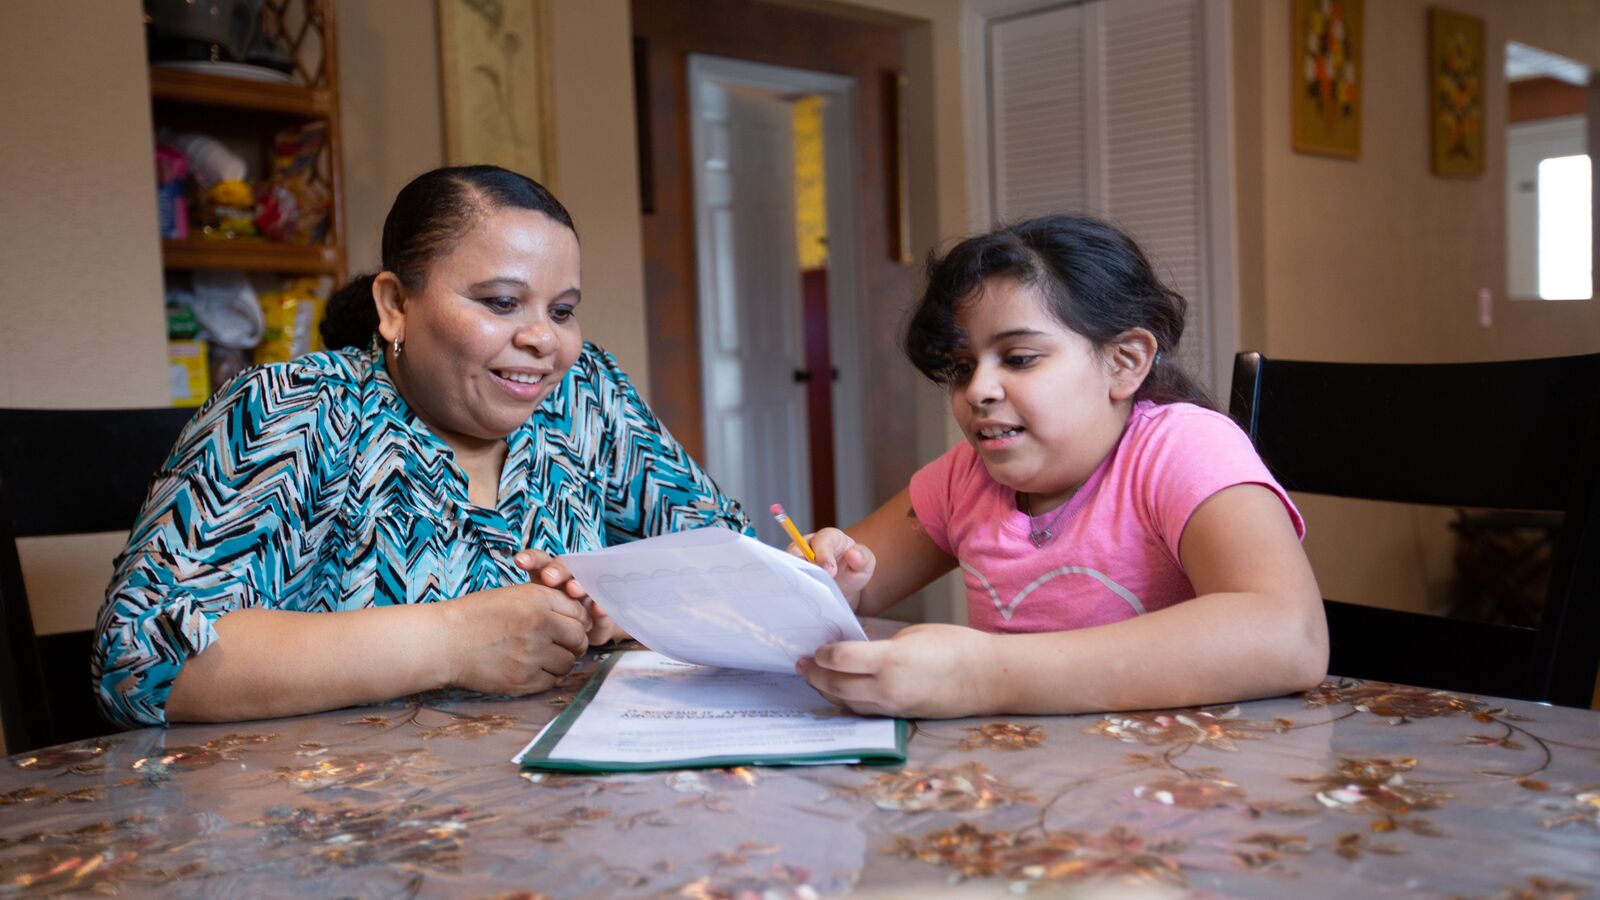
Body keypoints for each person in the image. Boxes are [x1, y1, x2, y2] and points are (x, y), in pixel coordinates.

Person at [94, 165, 750, 728]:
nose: (544, 341)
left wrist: (627, 602)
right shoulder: (297, 409)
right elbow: (141, 662)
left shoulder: (585, 396)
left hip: (560, 810)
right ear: (394, 307)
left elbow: (727, 562)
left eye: (562, 310)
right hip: (340, 831)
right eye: (501, 302)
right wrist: (454, 640)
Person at [790, 214, 1327, 719]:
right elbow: (840, 589)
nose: (977, 389)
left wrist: (985, 676)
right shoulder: (964, 478)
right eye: (961, 367)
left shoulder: (1182, 448)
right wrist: (832, 575)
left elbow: (1288, 634)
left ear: (1125, 362)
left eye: (1020, 358)